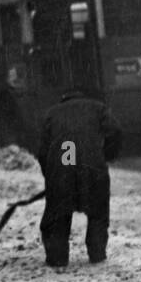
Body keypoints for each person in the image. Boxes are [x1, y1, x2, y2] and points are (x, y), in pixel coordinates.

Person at [37, 86, 122, 267]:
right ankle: (97, 254)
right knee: (98, 212)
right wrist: (107, 155)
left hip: (62, 170)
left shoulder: (52, 114)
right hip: (92, 167)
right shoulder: (98, 108)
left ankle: (57, 258)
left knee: (58, 215)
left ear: (63, 98)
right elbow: (115, 131)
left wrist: (49, 174)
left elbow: (43, 150)